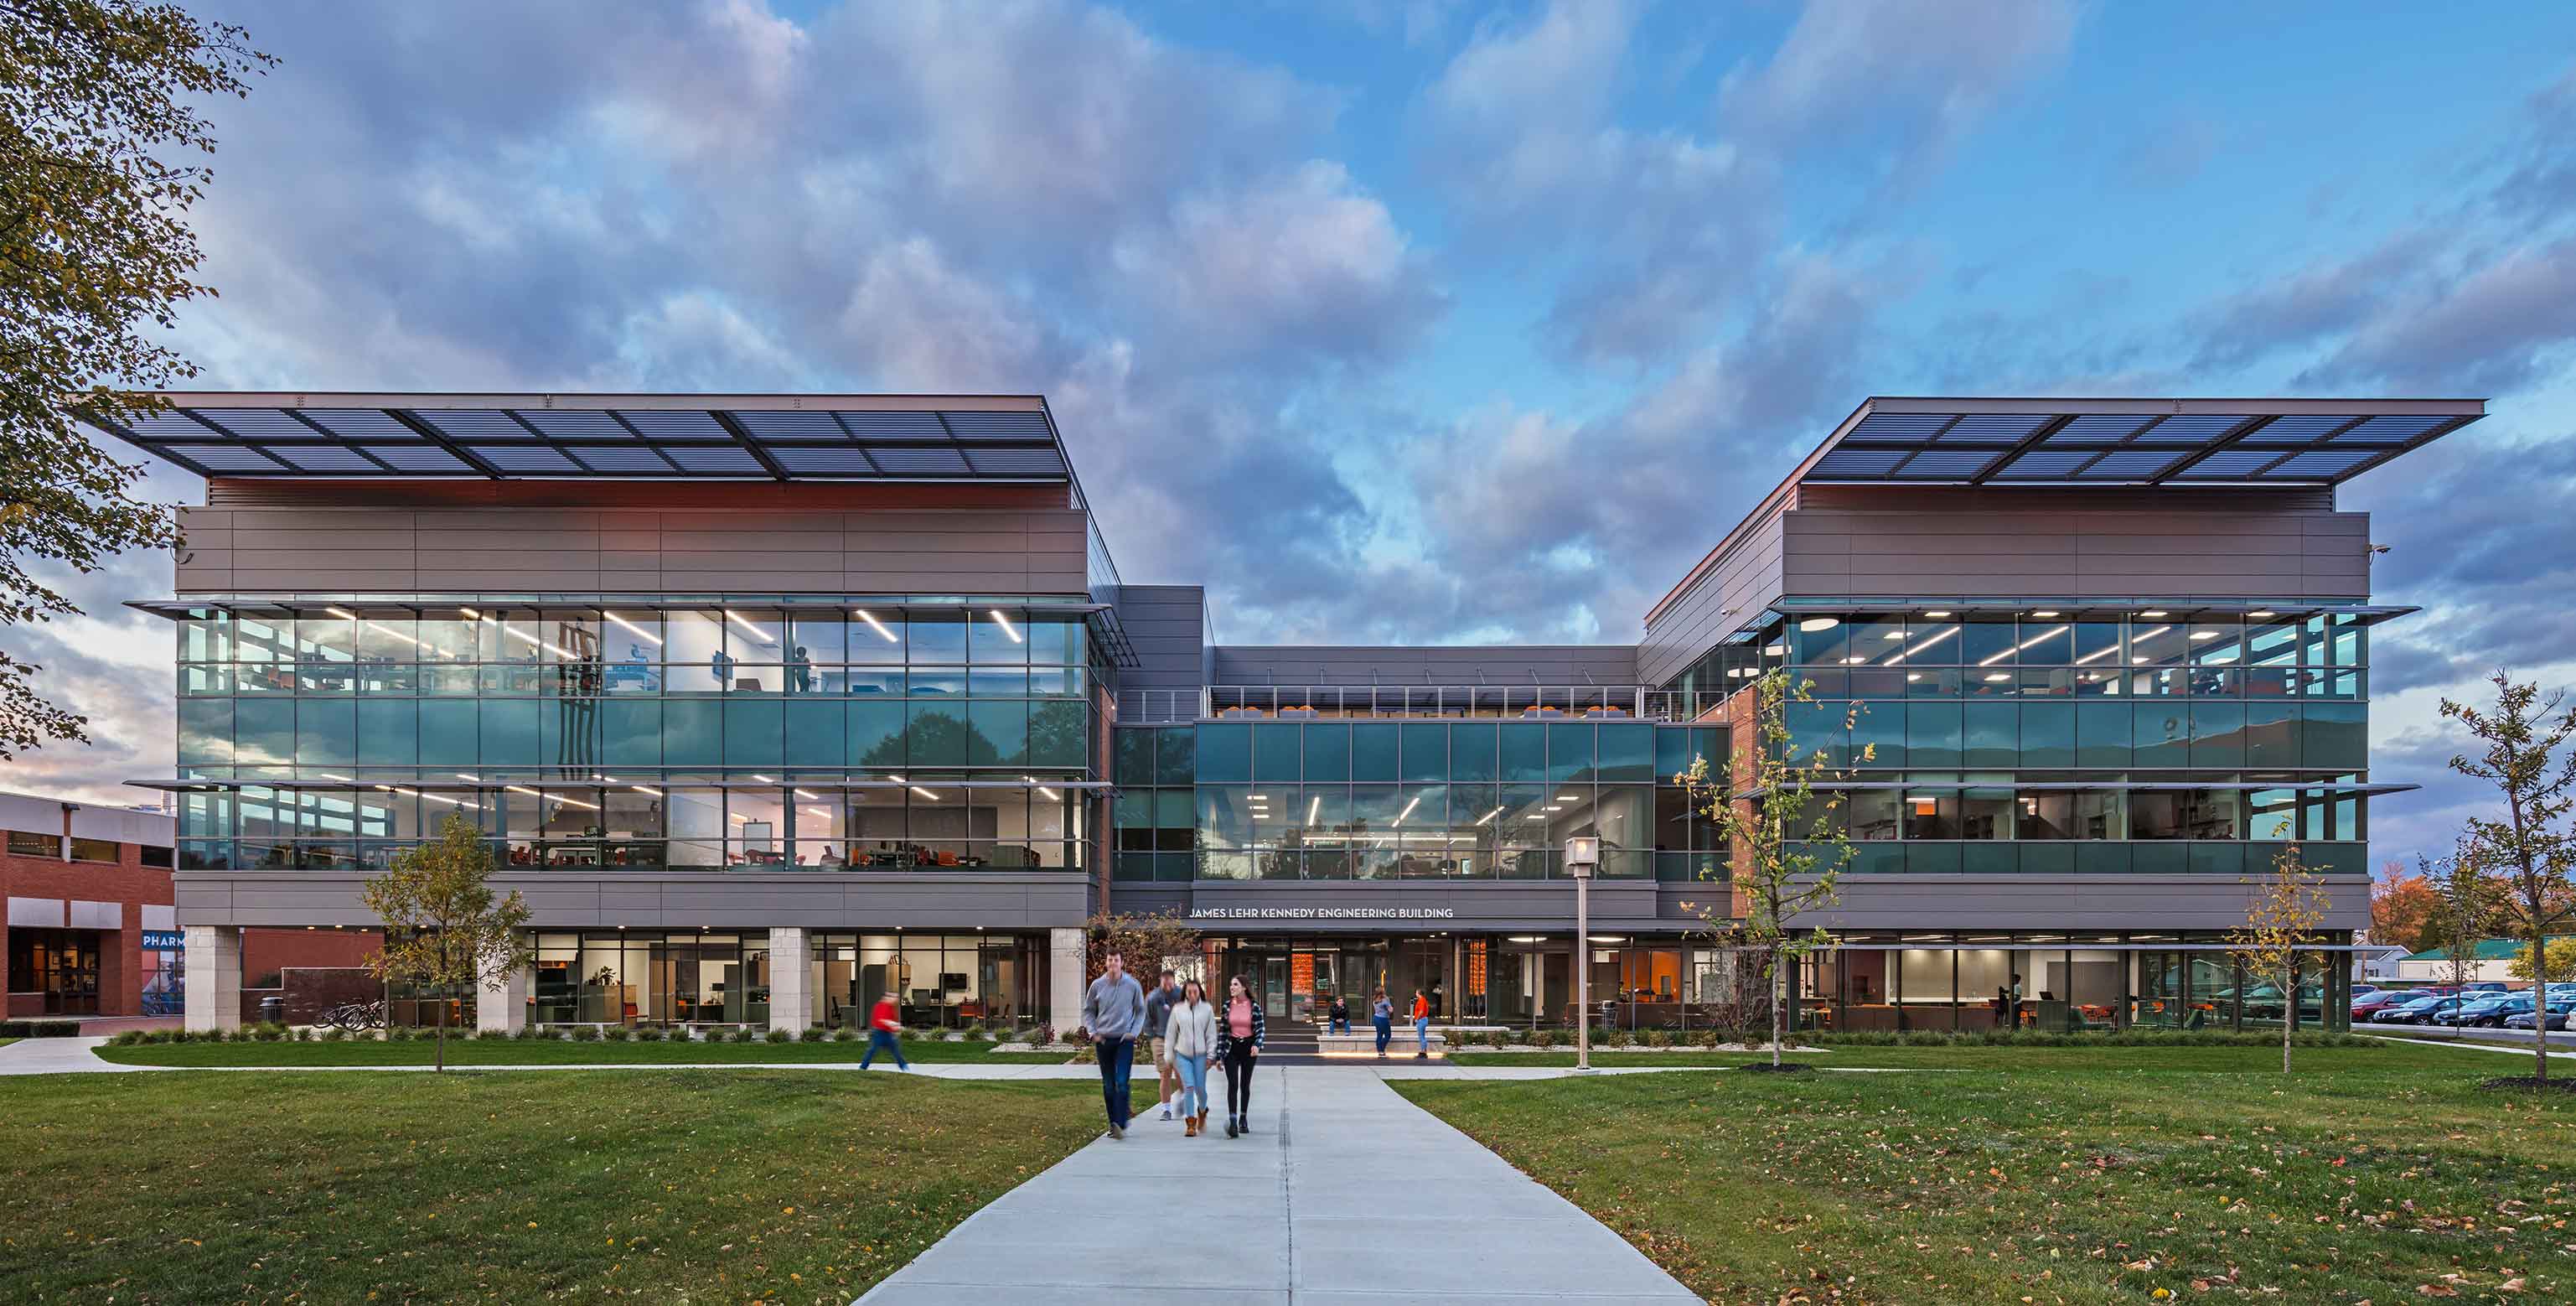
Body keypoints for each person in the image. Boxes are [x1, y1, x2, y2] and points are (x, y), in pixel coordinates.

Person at [1082, 951, 1147, 1139]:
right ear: (1106, 962)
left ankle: (1121, 1121)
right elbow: (1089, 1011)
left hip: (1124, 1040)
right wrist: (1093, 1032)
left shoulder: (1132, 985)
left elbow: (1140, 1011)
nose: (1113, 963)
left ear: (1121, 963)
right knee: (1109, 1085)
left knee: (1121, 1081)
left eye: (1116, 960)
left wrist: (1133, 1033)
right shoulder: (1097, 986)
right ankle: (1114, 1124)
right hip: (1103, 1041)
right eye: (1110, 960)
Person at [1216, 974, 1265, 1138]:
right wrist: (1219, 1056)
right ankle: (1233, 1121)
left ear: (1244, 987)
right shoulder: (1227, 1006)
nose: (1232, 987)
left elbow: (1260, 1029)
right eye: (1231, 984)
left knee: (1245, 1085)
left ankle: (1243, 1117)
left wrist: (1257, 1045)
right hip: (1232, 1048)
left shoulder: (1254, 1006)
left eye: (1235, 984)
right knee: (1233, 1085)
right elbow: (1222, 1032)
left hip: (1249, 1049)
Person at [1166, 978, 1216, 1136]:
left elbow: (1211, 1034)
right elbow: (1171, 1034)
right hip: (1183, 1055)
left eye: (1195, 991)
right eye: (1189, 992)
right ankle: (1190, 1123)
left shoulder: (1207, 1009)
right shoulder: (1178, 1010)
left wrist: (1211, 1055)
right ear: (1185, 993)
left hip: (1200, 1056)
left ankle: (1202, 1111)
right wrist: (1168, 1056)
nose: (1192, 994)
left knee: (1200, 1089)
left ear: (1199, 992)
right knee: (1189, 1087)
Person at [1143, 970, 1181, 1122]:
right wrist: (1153, 1038)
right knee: (1165, 1074)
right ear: (1161, 981)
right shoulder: (1153, 997)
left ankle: (1184, 1099)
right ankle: (1166, 1110)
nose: (1167, 986)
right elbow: (1147, 1021)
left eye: (1170, 983)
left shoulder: (1181, 995)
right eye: (1165, 983)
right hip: (1160, 1038)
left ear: (1174, 981)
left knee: (1181, 1074)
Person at [860, 989, 908, 1071]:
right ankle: (863, 1067)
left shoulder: (891, 1008)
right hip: (879, 1033)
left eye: (897, 998)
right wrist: (894, 1025)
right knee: (872, 1050)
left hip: (888, 1034)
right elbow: (882, 1020)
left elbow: (892, 1021)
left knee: (895, 1050)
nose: (896, 1000)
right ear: (887, 997)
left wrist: (897, 1027)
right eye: (894, 997)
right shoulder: (880, 1006)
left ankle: (903, 1067)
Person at [1371, 988, 1394, 1060]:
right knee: (1388, 1035)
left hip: (1376, 1018)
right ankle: (1381, 1050)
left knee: (1379, 1035)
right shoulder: (1385, 999)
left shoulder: (1375, 1000)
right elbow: (1390, 1010)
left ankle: (1380, 1051)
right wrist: (1391, 1009)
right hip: (1383, 1019)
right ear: (1383, 992)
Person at [1411, 987, 1432, 1060]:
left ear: (1419, 993)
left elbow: (1421, 1011)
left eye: (1416, 993)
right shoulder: (1422, 1000)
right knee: (1422, 1036)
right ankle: (1423, 1051)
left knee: (1421, 1036)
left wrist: (1417, 1019)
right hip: (1422, 1020)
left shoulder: (1422, 1000)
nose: (1415, 994)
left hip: (1421, 1020)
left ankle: (1423, 1052)